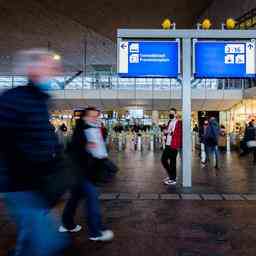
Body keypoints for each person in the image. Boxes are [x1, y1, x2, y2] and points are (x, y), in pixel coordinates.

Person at [0, 49, 70, 256]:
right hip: (22, 184)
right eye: (50, 67)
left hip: (37, 184)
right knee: (48, 243)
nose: (56, 72)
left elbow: (44, 138)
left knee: (31, 239)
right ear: (33, 69)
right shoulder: (16, 98)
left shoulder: (40, 100)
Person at [59, 107, 114, 242]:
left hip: (82, 172)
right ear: (84, 117)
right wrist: (86, 148)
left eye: (97, 116)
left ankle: (67, 224)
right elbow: (74, 150)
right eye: (92, 116)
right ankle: (96, 232)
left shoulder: (93, 129)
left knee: (75, 197)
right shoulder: (82, 131)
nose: (95, 118)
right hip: (82, 172)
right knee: (92, 198)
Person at [161, 108, 182, 186]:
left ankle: (173, 179)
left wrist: (168, 132)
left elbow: (178, 133)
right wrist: (165, 132)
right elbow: (168, 130)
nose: (171, 114)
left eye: (172, 113)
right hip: (168, 144)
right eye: (170, 113)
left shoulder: (178, 122)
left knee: (172, 162)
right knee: (164, 160)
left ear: (176, 114)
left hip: (174, 144)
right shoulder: (169, 121)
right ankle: (172, 176)